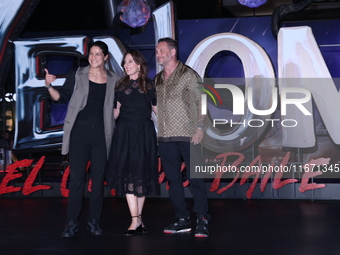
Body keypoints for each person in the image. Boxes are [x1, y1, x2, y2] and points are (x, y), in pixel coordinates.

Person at [44, 41, 120, 238]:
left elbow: (118, 104)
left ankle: (94, 221)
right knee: (77, 180)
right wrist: (49, 85)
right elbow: (61, 97)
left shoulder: (114, 79)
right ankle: (71, 223)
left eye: (98, 54)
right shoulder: (77, 74)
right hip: (79, 134)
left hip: (102, 136)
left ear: (106, 57)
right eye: (91, 54)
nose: (93, 57)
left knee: (97, 181)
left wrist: (118, 111)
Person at [155, 37, 210, 238]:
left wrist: (199, 128)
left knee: (196, 178)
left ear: (173, 52)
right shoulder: (158, 78)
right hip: (165, 136)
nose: (158, 54)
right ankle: (182, 218)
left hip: (189, 135)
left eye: (162, 50)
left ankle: (202, 218)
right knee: (173, 180)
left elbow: (202, 101)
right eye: (157, 51)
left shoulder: (189, 75)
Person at [106, 50, 158, 236]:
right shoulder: (120, 86)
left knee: (140, 175)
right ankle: (135, 219)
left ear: (139, 64)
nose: (126, 65)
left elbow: (156, 111)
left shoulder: (150, 85)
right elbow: (115, 113)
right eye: (125, 62)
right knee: (128, 175)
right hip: (125, 133)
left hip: (144, 133)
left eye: (130, 61)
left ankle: (137, 218)